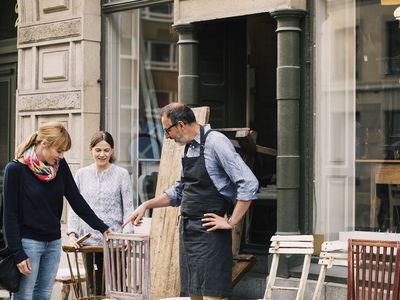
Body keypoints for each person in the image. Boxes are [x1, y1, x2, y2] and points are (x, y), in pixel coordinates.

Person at [123, 103, 259, 300]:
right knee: (194, 295)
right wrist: (146, 205)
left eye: (167, 130)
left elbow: (248, 183)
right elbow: (180, 191)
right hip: (188, 232)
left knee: (213, 296)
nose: (167, 137)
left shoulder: (215, 142)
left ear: (180, 125)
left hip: (211, 235)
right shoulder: (188, 148)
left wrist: (230, 222)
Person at [3, 122, 111, 300]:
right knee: (24, 296)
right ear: (44, 144)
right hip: (28, 244)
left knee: (44, 295)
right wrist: (17, 253)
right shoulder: (15, 170)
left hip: (53, 242)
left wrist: (101, 227)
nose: (61, 156)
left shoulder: (59, 167)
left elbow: (76, 199)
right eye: (59, 151)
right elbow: (9, 216)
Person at [67, 131, 135, 295]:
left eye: (106, 150)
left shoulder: (122, 174)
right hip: (90, 242)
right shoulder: (81, 174)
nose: (102, 154)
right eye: (98, 150)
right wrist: (72, 233)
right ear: (91, 149)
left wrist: (126, 235)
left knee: (116, 287)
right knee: (93, 288)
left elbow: (128, 208)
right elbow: (75, 207)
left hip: (115, 242)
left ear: (112, 151)